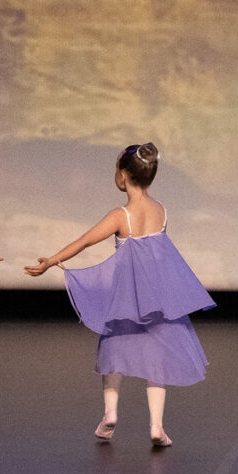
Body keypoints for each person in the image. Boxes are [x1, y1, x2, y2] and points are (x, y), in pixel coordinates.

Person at [26, 143, 215, 448]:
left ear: (124, 176)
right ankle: (156, 427)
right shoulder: (161, 211)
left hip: (126, 298)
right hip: (158, 298)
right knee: (158, 359)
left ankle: (110, 413)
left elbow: (84, 241)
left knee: (113, 349)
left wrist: (51, 261)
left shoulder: (121, 216)